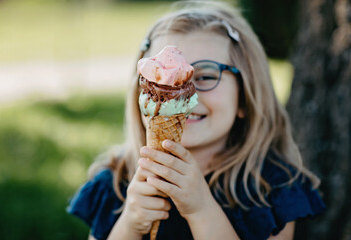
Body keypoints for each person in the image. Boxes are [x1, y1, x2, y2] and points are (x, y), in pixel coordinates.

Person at [67, 2, 325, 240]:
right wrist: (130, 224)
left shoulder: (273, 190)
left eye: (205, 76)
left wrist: (201, 209)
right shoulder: (115, 185)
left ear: (245, 97)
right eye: (160, 79)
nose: (184, 92)